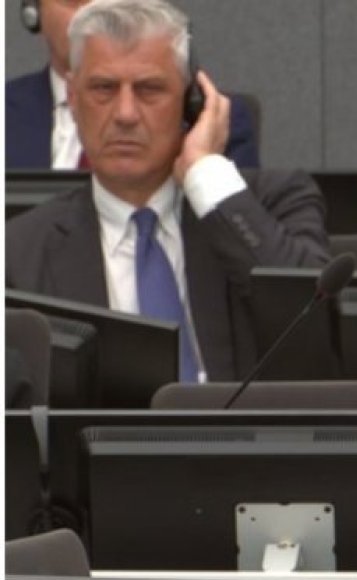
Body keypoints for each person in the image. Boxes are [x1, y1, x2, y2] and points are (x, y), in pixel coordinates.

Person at [6, 0, 328, 382]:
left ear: (191, 104)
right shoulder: (18, 252)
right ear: (73, 100)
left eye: (149, 89)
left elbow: (314, 323)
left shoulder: (274, 202)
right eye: (104, 89)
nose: (125, 114)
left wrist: (205, 171)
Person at [7, 0, 259, 169]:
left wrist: (204, 171)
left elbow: (237, 228)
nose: (96, 13)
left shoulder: (210, 118)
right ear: (33, 12)